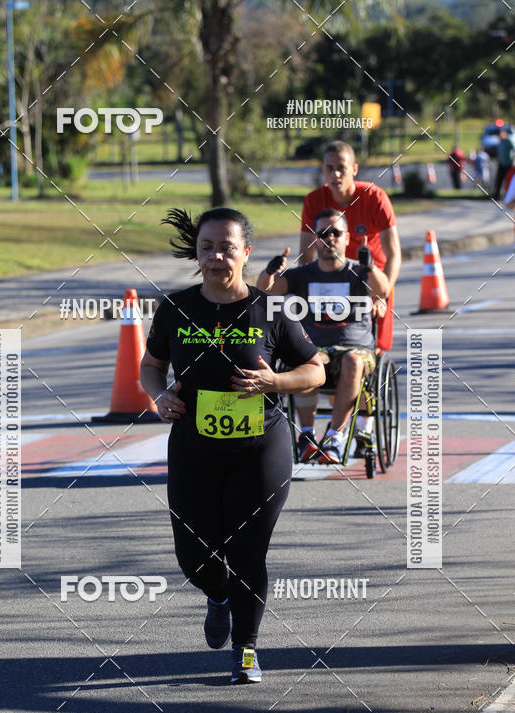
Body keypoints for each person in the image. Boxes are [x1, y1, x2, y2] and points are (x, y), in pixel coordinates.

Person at [140, 207, 324, 684]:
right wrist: (159, 396)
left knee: (247, 551)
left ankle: (247, 648)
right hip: (194, 447)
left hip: (260, 448)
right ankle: (217, 594)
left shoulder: (272, 310)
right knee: (193, 557)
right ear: (197, 253)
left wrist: (275, 381)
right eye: (207, 247)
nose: (216, 256)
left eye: (227, 247)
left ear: (246, 253)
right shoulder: (175, 308)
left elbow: (316, 370)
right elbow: (151, 365)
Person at [257, 209, 389, 463]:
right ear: (315, 239)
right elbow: (266, 290)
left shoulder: (359, 271)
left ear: (347, 238)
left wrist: (370, 267)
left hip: (355, 349)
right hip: (316, 348)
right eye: (323, 234)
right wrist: (270, 271)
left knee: (352, 362)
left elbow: (382, 290)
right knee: (304, 359)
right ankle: (306, 435)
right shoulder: (302, 274)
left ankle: (334, 438)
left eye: (336, 233)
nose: (330, 239)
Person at [299, 141, 401, 354]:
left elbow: (393, 254)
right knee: (321, 342)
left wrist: (381, 296)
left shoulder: (375, 198)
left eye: (341, 168)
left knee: (373, 346)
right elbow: (306, 255)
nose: (335, 174)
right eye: (329, 168)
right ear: (323, 170)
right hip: (333, 277)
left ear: (354, 169)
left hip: (371, 277)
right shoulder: (314, 201)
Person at [494, 129, 515, 199]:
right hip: (501, 164)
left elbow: (514, 149)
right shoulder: (500, 142)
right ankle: (497, 195)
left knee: (508, 180)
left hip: (508, 164)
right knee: (499, 180)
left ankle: (508, 195)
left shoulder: (508, 141)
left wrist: (513, 160)